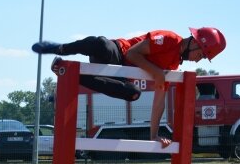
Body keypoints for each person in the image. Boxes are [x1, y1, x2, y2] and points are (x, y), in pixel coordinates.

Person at [32, 27, 226, 145]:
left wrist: (155, 136)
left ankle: (72, 76)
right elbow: (132, 54)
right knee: (101, 44)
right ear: (194, 42)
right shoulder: (168, 39)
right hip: (118, 53)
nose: (198, 60)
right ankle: (60, 49)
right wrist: (156, 72)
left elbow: (159, 102)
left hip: (122, 76)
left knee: (134, 93)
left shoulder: (173, 66)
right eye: (201, 55)